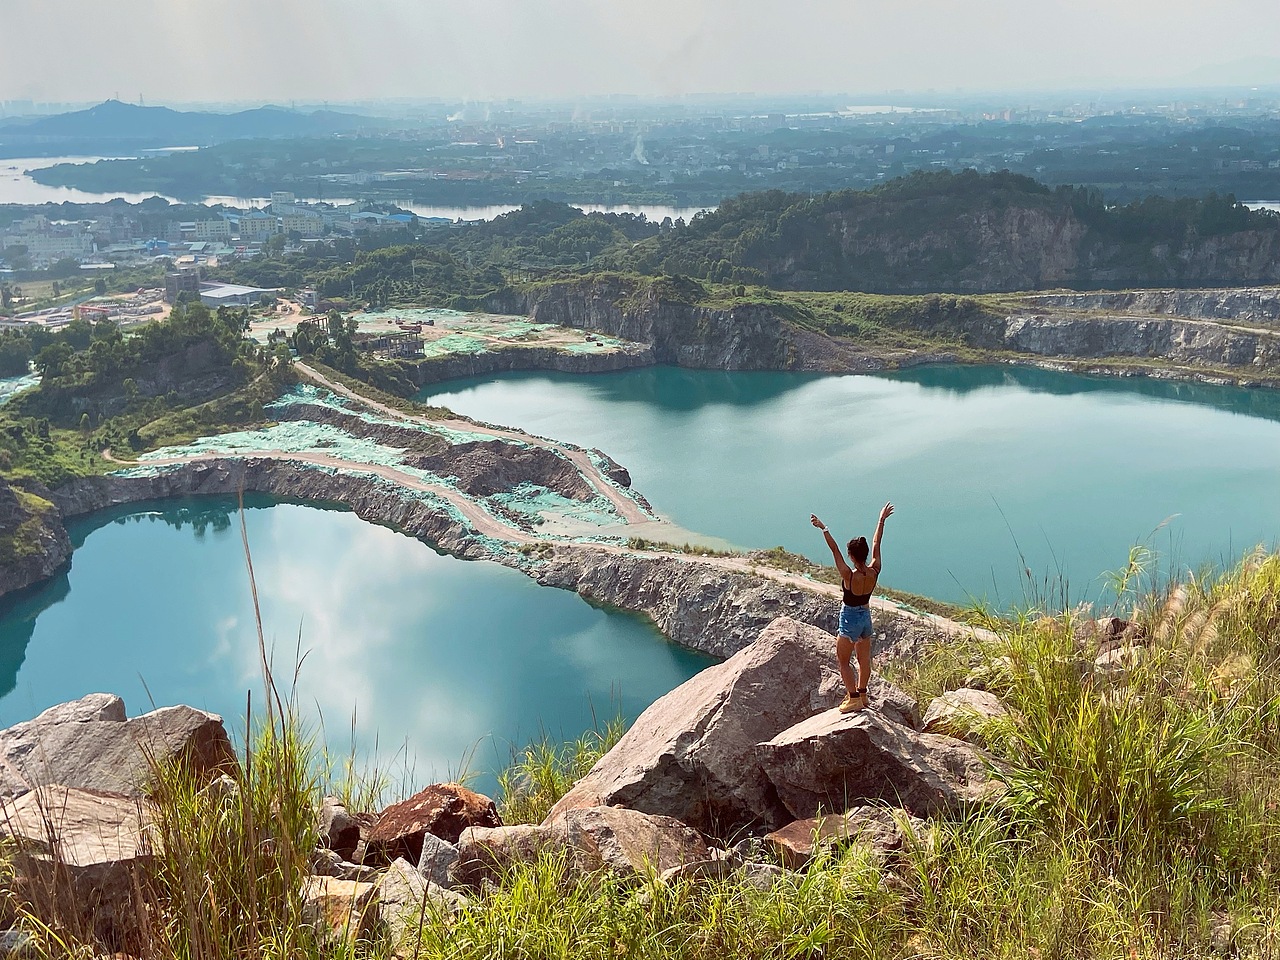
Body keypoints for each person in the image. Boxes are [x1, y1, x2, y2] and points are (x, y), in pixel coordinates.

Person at [810, 503, 894, 713]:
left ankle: (853, 698)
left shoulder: (849, 575)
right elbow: (877, 541)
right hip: (866, 616)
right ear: (864, 554)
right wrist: (881, 519)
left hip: (849, 618)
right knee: (864, 661)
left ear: (851, 556)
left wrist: (824, 527)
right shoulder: (875, 569)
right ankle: (863, 694)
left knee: (843, 661)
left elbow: (834, 549)